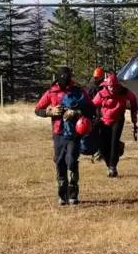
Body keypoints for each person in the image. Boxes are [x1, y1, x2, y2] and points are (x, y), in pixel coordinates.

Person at [34, 66, 96, 206]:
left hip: (74, 133)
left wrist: (78, 112)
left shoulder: (78, 91)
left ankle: (73, 193)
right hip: (58, 133)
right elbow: (38, 109)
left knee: (72, 161)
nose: (66, 81)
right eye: (63, 79)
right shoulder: (51, 92)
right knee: (60, 162)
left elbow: (92, 108)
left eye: (67, 79)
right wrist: (50, 112)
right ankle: (62, 194)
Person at [92, 74, 138, 177]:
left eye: (115, 86)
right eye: (110, 86)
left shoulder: (124, 92)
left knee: (114, 142)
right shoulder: (101, 94)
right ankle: (109, 165)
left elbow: (133, 98)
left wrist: (133, 113)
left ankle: (113, 167)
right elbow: (92, 105)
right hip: (103, 121)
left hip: (118, 119)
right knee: (104, 145)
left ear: (118, 85)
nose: (113, 89)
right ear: (107, 86)